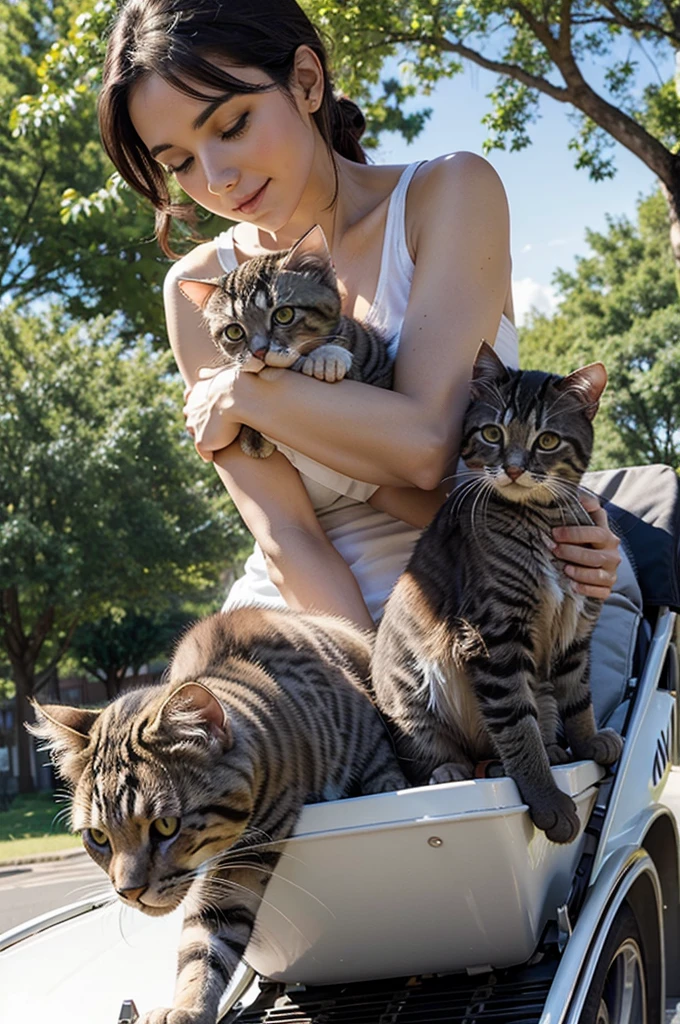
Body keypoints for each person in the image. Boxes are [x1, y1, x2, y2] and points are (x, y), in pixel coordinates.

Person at [98, 0, 621, 632]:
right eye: (178, 162)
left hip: (482, 613)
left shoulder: (449, 196)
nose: (217, 179)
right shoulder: (200, 292)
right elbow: (289, 538)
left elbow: (426, 448)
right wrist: (365, 703)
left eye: (232, 124)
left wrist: (241, 393)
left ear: (307, 81)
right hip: (303, 627)